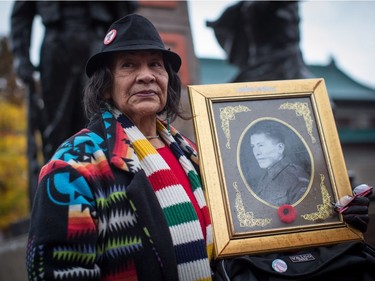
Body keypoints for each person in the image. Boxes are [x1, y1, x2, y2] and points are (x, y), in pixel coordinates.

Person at [25, 13, 370, 281]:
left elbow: (261, 228)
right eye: (129, 65)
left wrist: (331, 217)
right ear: (104, 87)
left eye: (155, 65)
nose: (146, 75)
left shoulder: (199, 154)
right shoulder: (73, 167)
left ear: (167, 80)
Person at [10, 1, 138, 162]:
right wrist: (21, 57)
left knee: (99, 116)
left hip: (97, 42)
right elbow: (21, 15)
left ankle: (101, 175)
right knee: (56, 123)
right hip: (56, 44)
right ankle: (55, 175)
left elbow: (126, 10)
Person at [249, 121, 310, 206]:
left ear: (280, 148)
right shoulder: (265, 177)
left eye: (261, 145)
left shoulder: (296, 179)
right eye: (253, 146)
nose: (256, 152)